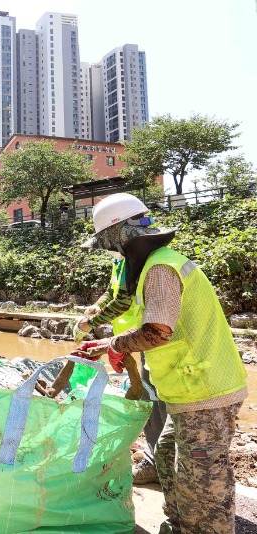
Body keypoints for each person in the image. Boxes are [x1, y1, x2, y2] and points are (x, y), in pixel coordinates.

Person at [74, 193, 247, 534]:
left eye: (110, 245)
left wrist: (110, 343)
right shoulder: (150, 266)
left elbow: (156, 333)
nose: (113, 254)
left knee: (203, 483)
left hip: (206, 388)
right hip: (186, 386)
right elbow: (123, 304)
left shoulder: (160, 270)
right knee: (167, 454)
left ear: (120, 237)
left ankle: (202, 527)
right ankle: (180, 522)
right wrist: (107, 340)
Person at [73, 236, 164, 486]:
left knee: (157, 399)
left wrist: (90, 323)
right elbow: (112, 292)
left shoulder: (146, 264)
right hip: (141, 340)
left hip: (150, 338)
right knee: (150, 396)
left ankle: (160, 463)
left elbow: (123, 301)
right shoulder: (123, 264)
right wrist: (96, 306)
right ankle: (156, 459)